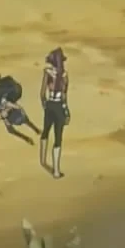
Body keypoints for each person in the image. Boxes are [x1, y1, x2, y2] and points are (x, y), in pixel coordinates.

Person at [39, 47, 70, 178]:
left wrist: (45, 105)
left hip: (50, 105)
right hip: (59, 107)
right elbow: (64, 96)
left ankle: (42, 160)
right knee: (58, 138)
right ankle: (56, 171)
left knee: (45, 131)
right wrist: (66, 111)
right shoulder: (64, 76)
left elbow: (42, 94)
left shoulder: (48, 73)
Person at [0, 74, 41, 145]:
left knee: (18, 124)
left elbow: (16, 108)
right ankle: (33, 133)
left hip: (11, 111)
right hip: (12, 111)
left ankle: (34, 132)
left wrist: (1, 113)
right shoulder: (5, 105)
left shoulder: (1, 103)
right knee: (16, 125)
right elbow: (17, 108)